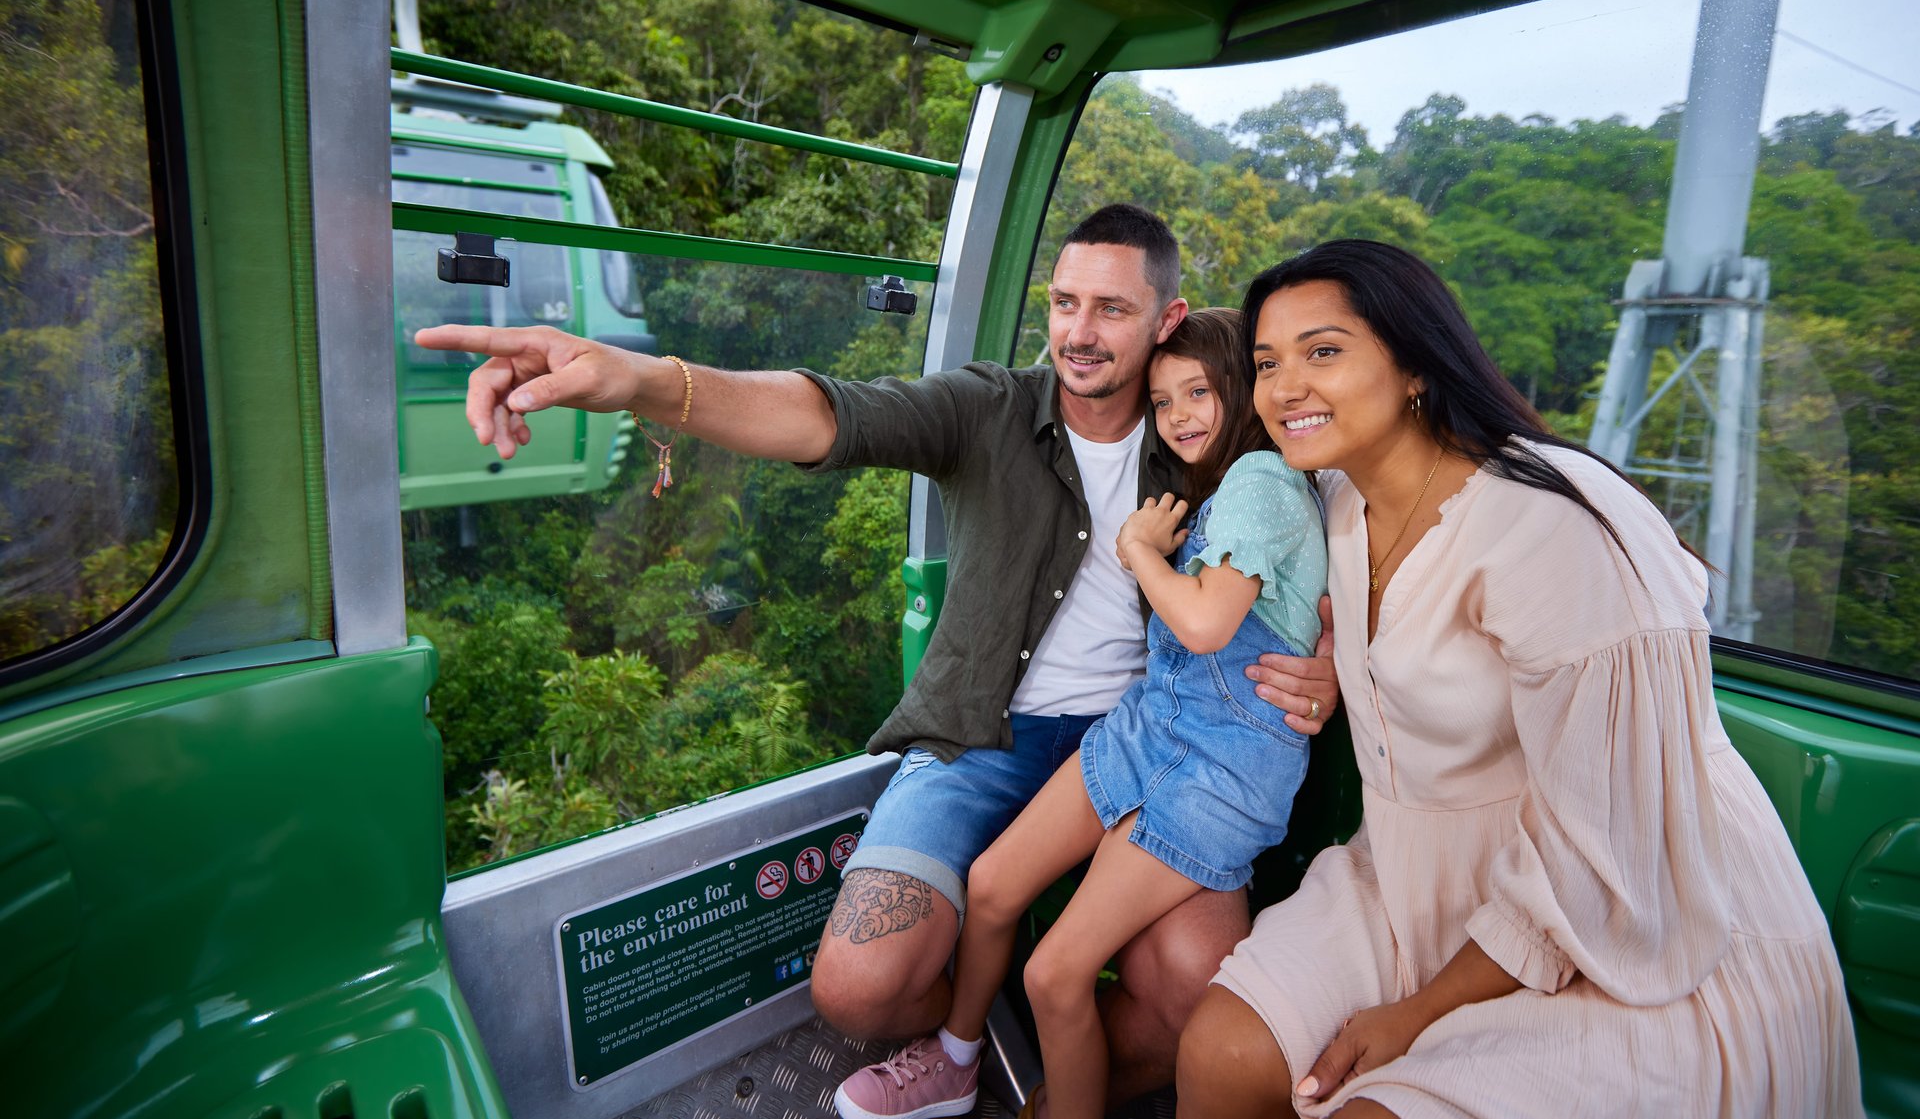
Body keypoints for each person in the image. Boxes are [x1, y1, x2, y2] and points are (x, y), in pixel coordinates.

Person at [413, 204, 1345, 1103]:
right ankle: (979, 1039)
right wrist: (647, 381)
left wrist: (1330, 662)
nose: (1080, 331)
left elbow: (1329, 526)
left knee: (1196, 995)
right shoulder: (987, 411)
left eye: (1111, 308)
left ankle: (1058, 1085)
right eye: (1064, 302)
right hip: (985, 736)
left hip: (1146, 741)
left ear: (1167, 318)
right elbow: (828, 414)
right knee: (856, 987)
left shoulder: (1203, 431)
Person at [1174, 240, 1862, 1119]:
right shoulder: (1341, 502)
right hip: (1416, 874)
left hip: (1618, 904)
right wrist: (1343, 673)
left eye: (1324, 351)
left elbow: (1601, 846)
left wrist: (1416, 1015)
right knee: (1221, 1051)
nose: (1284, 387)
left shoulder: (1551, 525)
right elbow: (1391, 630)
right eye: (1268, 363)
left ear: (1415, 360)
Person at [835, 308, 1328, 1119]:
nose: (1181, 417)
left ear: (1241, 389)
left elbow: (1205, 622)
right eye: (1164, 402)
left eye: (1200, 392)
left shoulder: (1261, 480)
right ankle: (959, 1059)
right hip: (1151, 725)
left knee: (1053, 972)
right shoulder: (1222, 491)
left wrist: (1137, 549)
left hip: (1211, 767)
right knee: (992, 885)